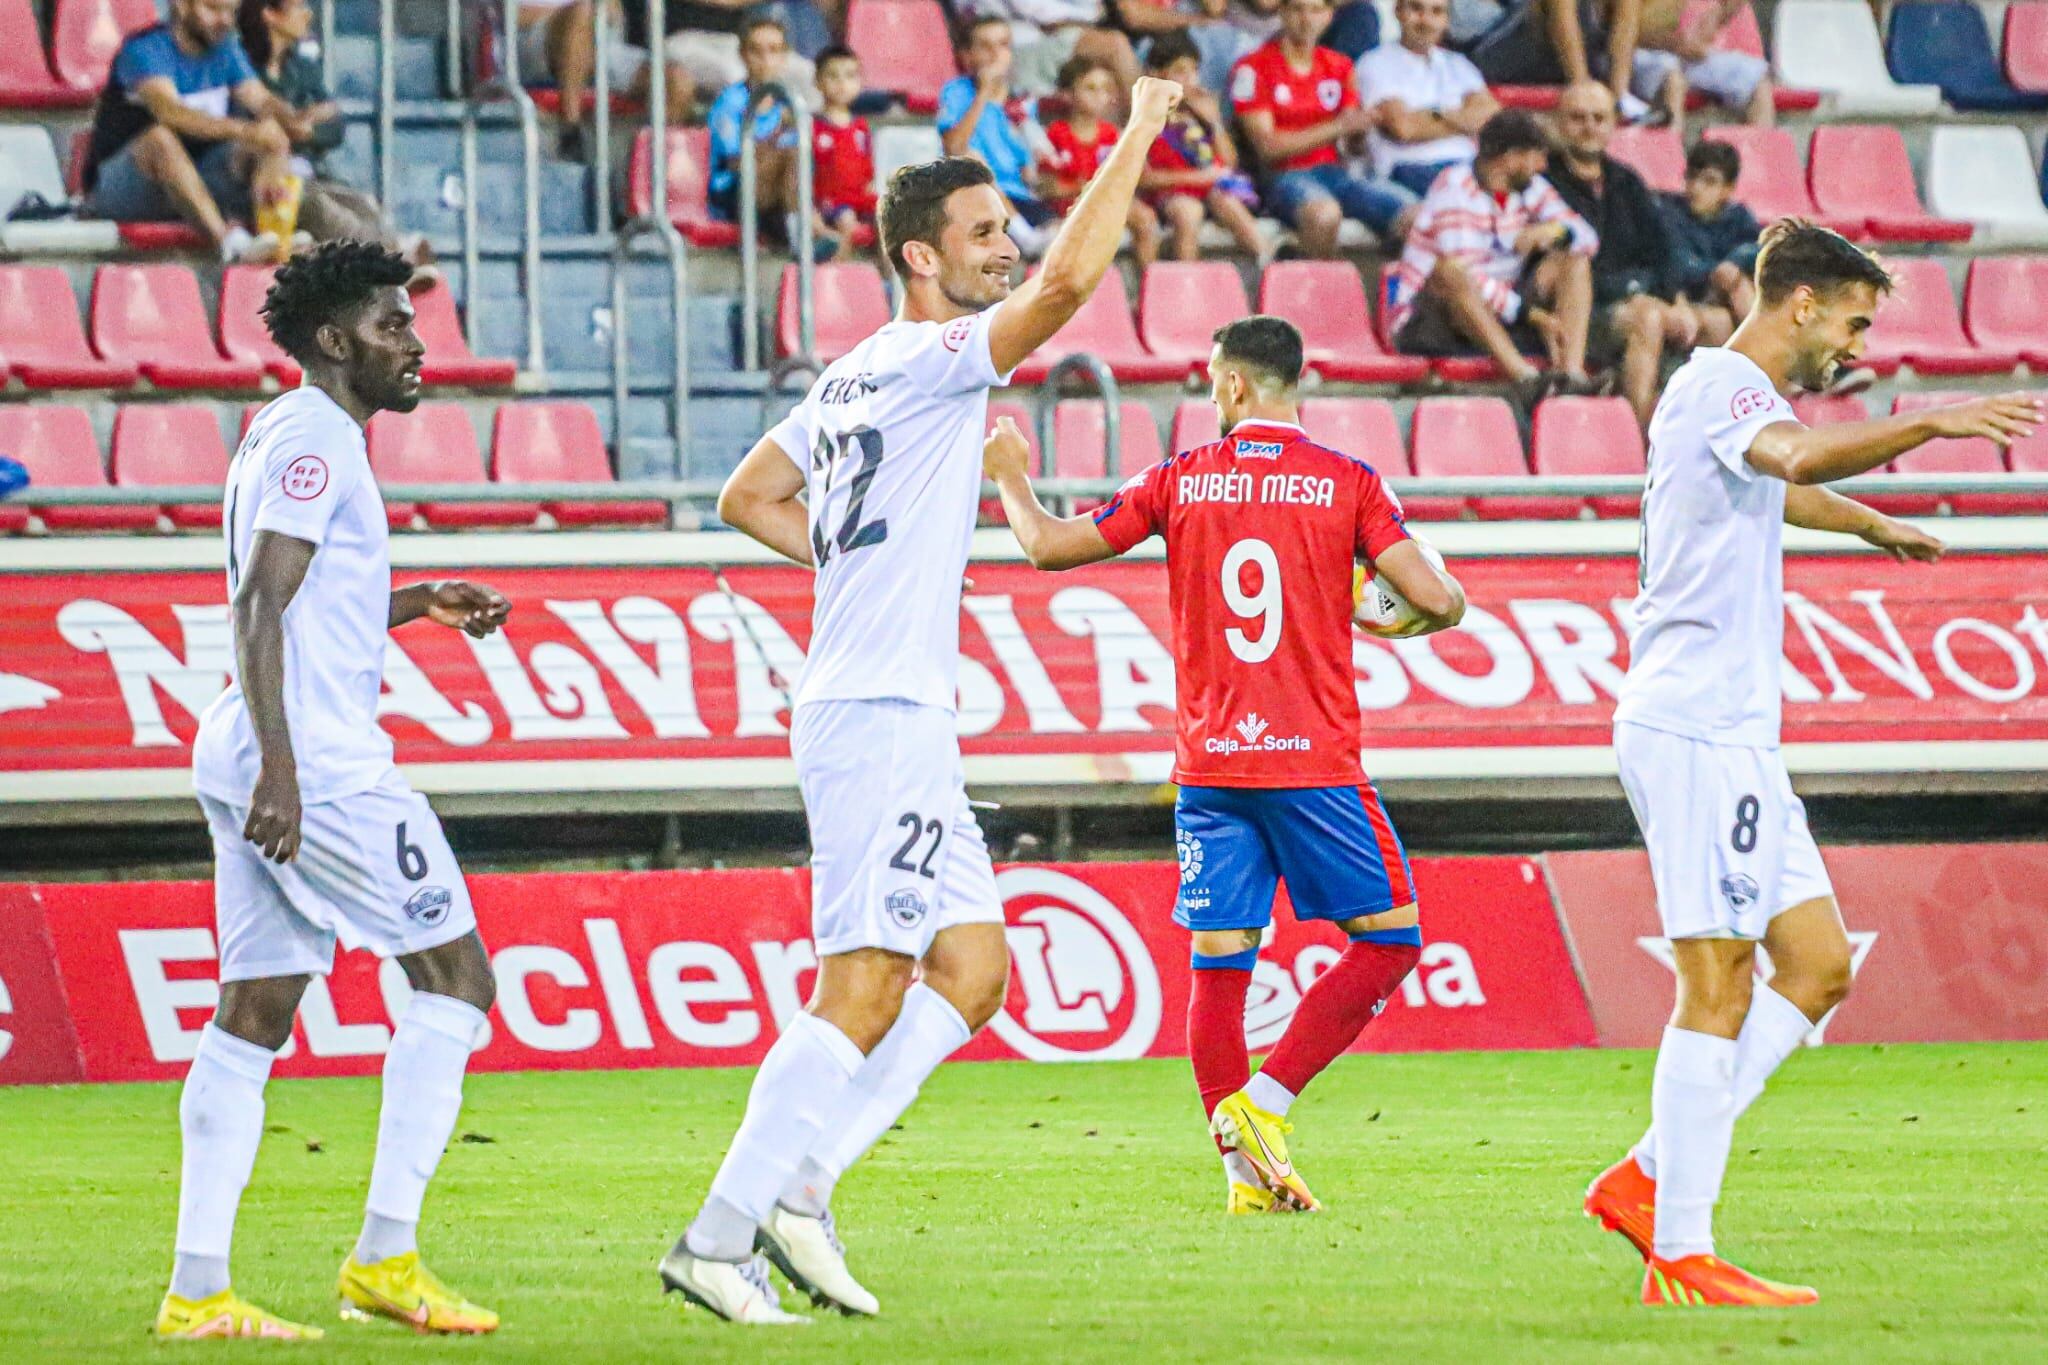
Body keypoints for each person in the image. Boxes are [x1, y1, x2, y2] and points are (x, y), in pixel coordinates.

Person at [663, 78, 1187, 1326]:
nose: (1007, 246)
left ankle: (801, 1191)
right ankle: (715, 1237)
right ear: (918, 257)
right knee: (863, 984)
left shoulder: (854, 374)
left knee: (970, 969)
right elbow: (1067, 292)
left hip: (894, 708)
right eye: (983, 232)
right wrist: (1133, 135)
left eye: (1010, 225)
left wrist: (857, 562)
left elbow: (749, 496)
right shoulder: (933, 356)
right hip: (877, 714)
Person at [1584, 219, 2039, 1307]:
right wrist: (1923, 421)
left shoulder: (1722, 404)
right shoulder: (1728, 388)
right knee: (1717, 980)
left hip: (1733, 731)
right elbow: (1786, 456)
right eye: (1850, 319)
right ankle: (1678, 1242)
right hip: (1695, 726)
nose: (1853, 340)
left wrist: (1867, 525)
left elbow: (1774, 489)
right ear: (1799, 304)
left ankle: (1649, 1172)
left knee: (1818, 965)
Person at [981, 314, 1464, 1214]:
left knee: (1220, 959)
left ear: (1235, 386)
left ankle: (1244, 1181)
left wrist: (1010, 477)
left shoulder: (1180, 481)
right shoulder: (1348, 482)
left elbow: (1046, 546)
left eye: (1211, 379)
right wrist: (1392, 608)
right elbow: (1437, 599)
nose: (1209, 393)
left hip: (1211, 766)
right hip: (1312, 762)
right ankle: (1266, 1106)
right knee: (1392, 939)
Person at [156, 241, 512, 1341]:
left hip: (253, 742)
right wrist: (285, 769)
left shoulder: (285, 425)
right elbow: (260, 605)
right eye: (392, 327)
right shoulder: (318, 435)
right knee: (455, 981)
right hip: (314, 756)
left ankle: (197, 1290)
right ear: (332, 340)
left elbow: (311, 596)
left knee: (254, 1012)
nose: (413, 346)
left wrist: (410, 602)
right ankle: (385, 1259)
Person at [1388, 108, 1598, 401]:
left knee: (1573, 261)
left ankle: (1570, 375)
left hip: (1502, 309)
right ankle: (1527, 378)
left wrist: (1557, 233)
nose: (1542, 165)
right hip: (1430, 317)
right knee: (1451, 273)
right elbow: (1467, 274)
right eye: (1536, 156)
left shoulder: (1530, 188)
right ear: (1509, 158)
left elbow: (1588, 239)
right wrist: (1531, 315)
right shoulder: (1454, 188)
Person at [82, 0, 304, 263]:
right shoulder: (144, 49)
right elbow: (172, 113)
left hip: (194, 179)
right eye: (213, 9)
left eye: (231, 12)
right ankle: (229, 244)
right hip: (124, 187)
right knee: (160, 140)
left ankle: (273, 236)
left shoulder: (226, 49)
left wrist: (288, 119)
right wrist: (246, 130)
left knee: (268, 141)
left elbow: (259, 98)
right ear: (182, 6)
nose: (225, 20)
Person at [236, 0, 437, 284]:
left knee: (362, 203)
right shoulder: (243, 70)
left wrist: (307, 131)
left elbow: (334, 126)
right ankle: (395, 260)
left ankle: (394, 260)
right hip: (268, 181)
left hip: (313, 171)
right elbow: (257, 130)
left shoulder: (301, 67)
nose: (308, 14)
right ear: (270, 15)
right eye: (298, 7)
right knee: (317, 205)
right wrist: (302, 122)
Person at [1547, 79, 1690, 426]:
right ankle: (1640, 441)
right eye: (1578, 118)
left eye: (1598, 118)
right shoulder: (1543, 181)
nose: (1589, 128)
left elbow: (1662, 249)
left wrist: (1676, 300)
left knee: (1716, 323)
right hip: (1576, 317)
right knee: (1648, 320)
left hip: (1636, 299)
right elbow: (1562, 267)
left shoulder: (1626, 181)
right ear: (1559, 123)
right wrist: (1637, 295)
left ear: (1612, 124)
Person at [1231, 0, 1415, 256]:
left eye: (1316, 10)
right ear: (1282, 13)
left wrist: (1362, 130)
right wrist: (1337, 127)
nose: (1307, 19)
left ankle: (1394, 291)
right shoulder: (1252, 67)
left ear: (1329, 16)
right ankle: (1312, 293)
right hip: (1282, 177)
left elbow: (1351, 144)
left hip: (1337, 173)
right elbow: (1267, 147)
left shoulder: (1340, 66)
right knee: (1324, 215)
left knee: (1415, 214)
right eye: (1298, 9)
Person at [1141, 32, 1267, 261]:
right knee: (1188, 212)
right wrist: (1197, 178)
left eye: (1194, 71)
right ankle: (1188, 285)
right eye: (1180, 71)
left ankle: (1267, 259)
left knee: (1228, 202)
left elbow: (1229, 162)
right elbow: (1145, 178)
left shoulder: (1200, 114)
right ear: (1156, 75)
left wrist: (1215, 123)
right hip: (1170, 193)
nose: (1190, 80)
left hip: (1209, 189)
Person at [938, 17, 1057, 257]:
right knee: (973, 160)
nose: (995, 54)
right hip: (975, 197)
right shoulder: (957, 91)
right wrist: (983, 94)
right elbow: (954, 147)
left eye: (1003, 45)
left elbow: (1027, 164)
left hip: (1018, 194)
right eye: (985, 46)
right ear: (968, 56)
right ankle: (1024, 236)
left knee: (1064, 230)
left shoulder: (1021, 100)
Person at [514, 0, 693, 159]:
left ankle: (650, 168)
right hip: (536, 40)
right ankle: (571, 134)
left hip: (601, 44)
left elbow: (615, 14)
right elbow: (507, 16)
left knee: (677, 81)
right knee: (580, 14)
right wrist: (575, 18)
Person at [1355, 0, 1498, 197]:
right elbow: (1404, 128)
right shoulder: (1375, 62)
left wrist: (1434, 114)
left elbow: (1493, 119)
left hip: (1468, 165)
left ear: (1446, 20)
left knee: (1532, 191)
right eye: (1416, 9)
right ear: (1398, 11)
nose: (1426, 21)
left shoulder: (1458, 64)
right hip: (1409, 169)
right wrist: (1463, 118)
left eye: (1437, 12)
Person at [705, 14, 819, 253]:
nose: (765, 59)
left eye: (774, 50)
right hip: (733, 193)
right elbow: (734, 162)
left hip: (777, 199)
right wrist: (777, 134)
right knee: (790, 157)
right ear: (743, 55)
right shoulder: (730, 102)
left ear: (785, 56)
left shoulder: (788, 103)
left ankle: (796, 229)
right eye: (756, 51)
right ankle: (802, 234)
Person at [1042, 55, 1162, 265]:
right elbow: (1049, 187)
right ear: (1068, 94)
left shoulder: (1111, 134)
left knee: (1145, 218)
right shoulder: (1056, 134)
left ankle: (1150, 287)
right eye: (1091, 88)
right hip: (1070, 207)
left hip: (1104, 203)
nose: (1100, 96)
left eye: (1106, 89)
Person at [1452, 0, 1648, 119]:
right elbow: (1563, 24)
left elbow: (1625, 33)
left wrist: (1618, 95)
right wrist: (1582, 88)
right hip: (1504, 62)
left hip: (1554, 70)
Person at [1656, 139, 1759, 348]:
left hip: (1726, 295)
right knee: (1729, 297)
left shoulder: (1738, 216)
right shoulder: (1670, 213)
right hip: (1686, 297)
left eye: (1709, 182)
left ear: (1728, 189)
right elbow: (1680, 265)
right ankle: (1777, 363)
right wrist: (1717, 272)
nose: (1696, 188)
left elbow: (1760, 250)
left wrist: (1732, 264)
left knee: (1741, 283)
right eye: (1692, 178)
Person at [1631, 0, 1774, 141]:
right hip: (1637, 54)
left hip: (1681, 52)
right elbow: (1622, 31)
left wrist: (1718, 15)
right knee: (1673, 80)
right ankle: (1671, 157)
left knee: (1758, 78)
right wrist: (1676, 44)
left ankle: (1759, 159)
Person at [961, 0, 1139, 97]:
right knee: (1115, 45)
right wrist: (1088, 18)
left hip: (1053, 36)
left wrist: (1089, 16)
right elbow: (1041, 13)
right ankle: (1147, 128)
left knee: (1106, 77)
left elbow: (1094, 7)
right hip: (1019, 48)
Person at [811, 46, 878, 254]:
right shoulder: (812, 126)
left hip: (860, 197)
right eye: (832, 76)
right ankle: (838, 274)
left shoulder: (861, 127)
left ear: (859, 82)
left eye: (849, 76)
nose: (841, 83)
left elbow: (867, 169)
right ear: (817, 82)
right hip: (832, 201)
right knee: (847, 221)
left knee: (889, 217)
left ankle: (888, 280)